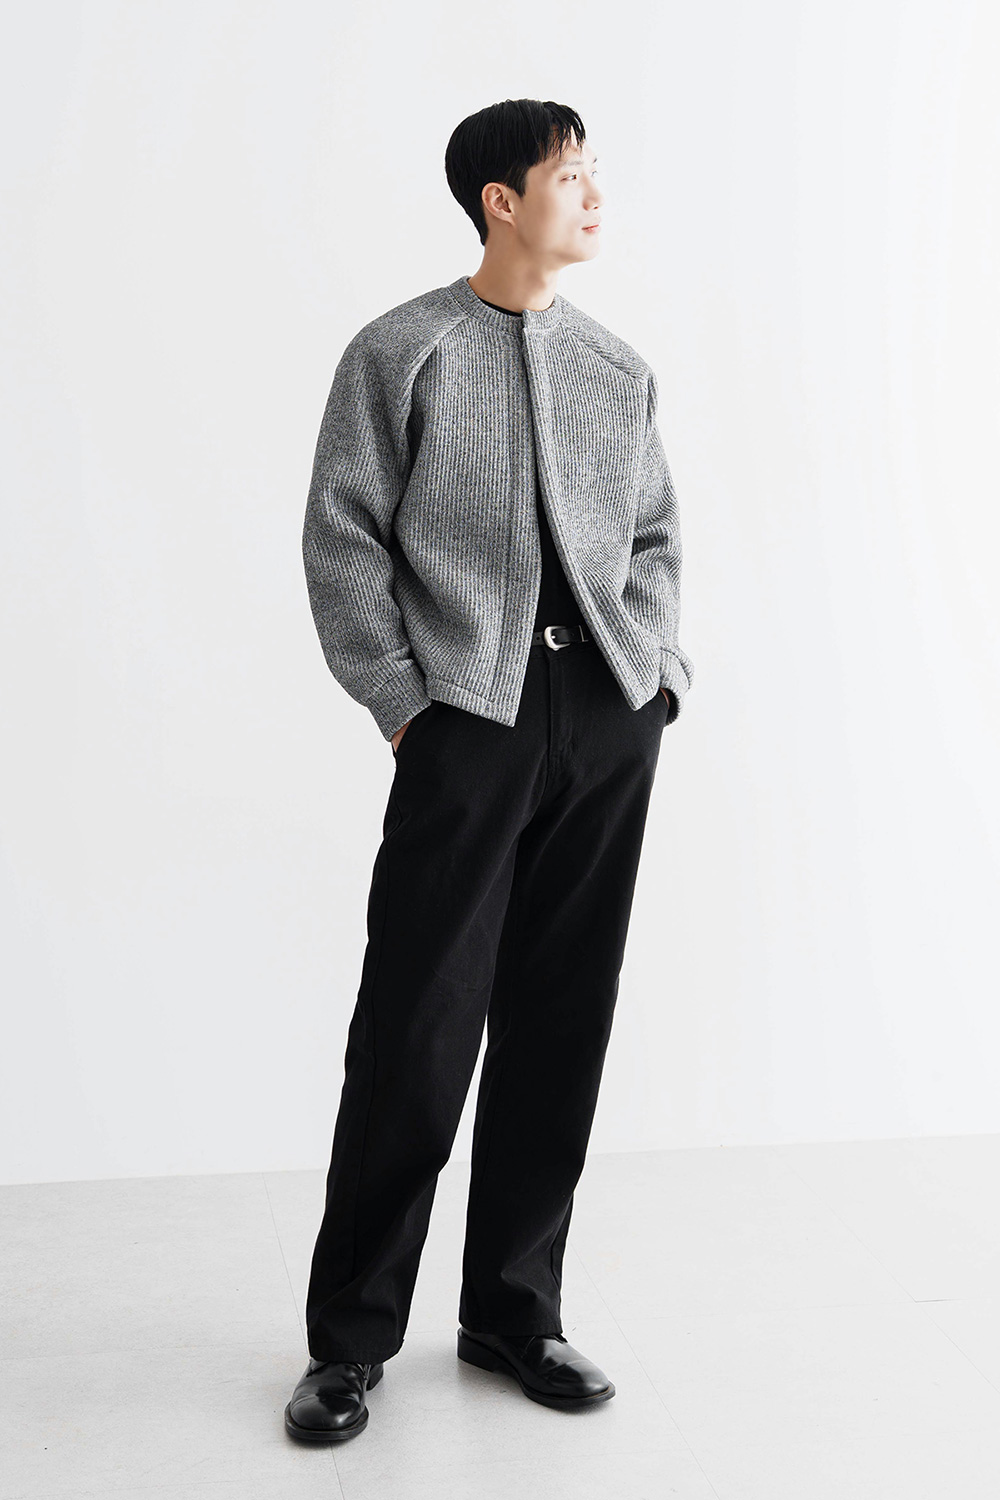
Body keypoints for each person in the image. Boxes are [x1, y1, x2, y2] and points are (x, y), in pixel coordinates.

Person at [284, 97, 694, 1443]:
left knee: (563, 1016)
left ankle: (516, 1313)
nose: (595, 195)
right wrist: (406, 704)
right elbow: (343, 535)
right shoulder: (401, 350)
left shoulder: (617, 369)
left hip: (604, 715)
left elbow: (654, 535)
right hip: (468, 716)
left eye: (595, 173)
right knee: (417, 1023)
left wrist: (653, 679)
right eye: (571, 175)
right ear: (498, 200)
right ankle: (349, 1342)